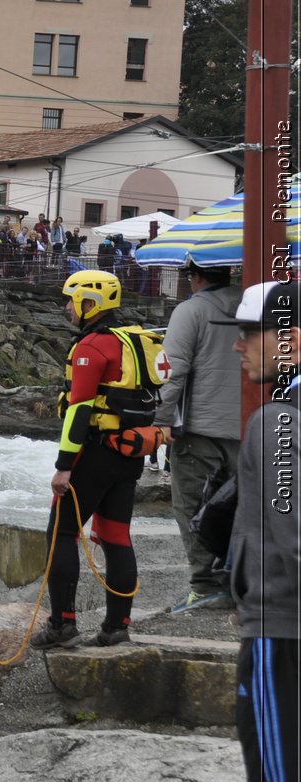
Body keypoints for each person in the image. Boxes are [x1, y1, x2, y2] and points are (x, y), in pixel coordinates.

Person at [213, 280, 299, 782]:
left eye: (250, 334)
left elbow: (293, 543)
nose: (239, 347)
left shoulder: (276, 424)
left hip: (281, 632)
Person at [34, 270, 159, 649]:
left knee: (62, 534)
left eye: (71, 301)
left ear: (91, 304)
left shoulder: (91, 346)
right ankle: (116, 626)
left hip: (95, 454)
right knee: (116, 535)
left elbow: (79, 409)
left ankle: (62, 624)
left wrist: (64, 465)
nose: (66, 308)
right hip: (130, 453)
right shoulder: (137, 338)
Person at [155, 260, 242, 614]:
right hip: (246, 430)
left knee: (193, 508)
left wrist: (158, 422)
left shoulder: (190, 311)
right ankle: (235, 582)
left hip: (198, 431)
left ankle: (205, 585)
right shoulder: (256, 305)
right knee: (239, 510)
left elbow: (171, 372)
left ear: (196, 276)